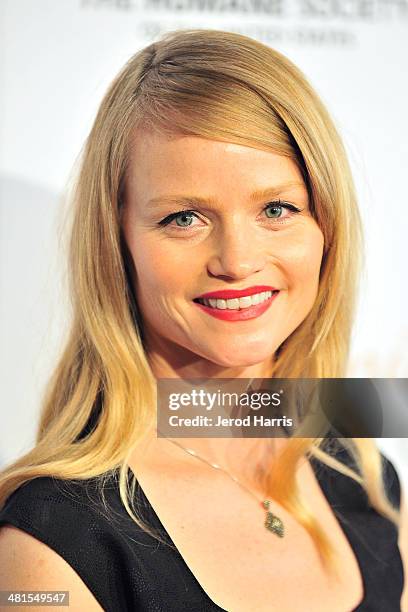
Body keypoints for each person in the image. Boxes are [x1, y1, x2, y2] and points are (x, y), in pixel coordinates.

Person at [0, 28, 406, 612]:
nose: (237, 260)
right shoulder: (49, 543)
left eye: (277, 208)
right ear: (117, 244)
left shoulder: (364, 476)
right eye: (184, 217)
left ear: (326, 229)